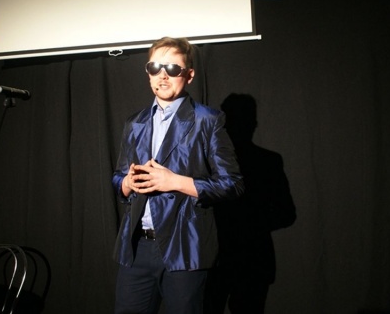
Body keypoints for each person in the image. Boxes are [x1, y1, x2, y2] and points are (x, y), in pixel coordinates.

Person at [112, 37, 244, 314]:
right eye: (155, 67)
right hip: (137, 248)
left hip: (184, 247)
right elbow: (118, 177)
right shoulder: (134, 122)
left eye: (172, 68)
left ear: (189, 75)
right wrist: (126, 183)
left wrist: (175, 182)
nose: (163, 75)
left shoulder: (207, 120)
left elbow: (232, 184)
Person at [204, 93, 297, 314]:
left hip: (235, 260)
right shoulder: (267, 161)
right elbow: (286, 214)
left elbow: (286, 214)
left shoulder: (209, 164)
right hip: (239, 259)